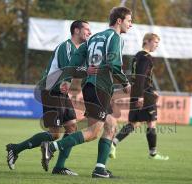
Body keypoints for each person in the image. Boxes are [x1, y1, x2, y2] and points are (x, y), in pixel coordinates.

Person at [40, 6, 132, 178]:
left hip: (90, 86)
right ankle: (51, 147)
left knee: (111, 125)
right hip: (101, 88)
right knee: (92, 133)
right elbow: (114, 64)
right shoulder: (116, 37)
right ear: (119, 21)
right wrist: (125, 82)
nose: (131, 24)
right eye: (129, 20)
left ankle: (99, 169)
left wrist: (67, 79)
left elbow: (74, 61)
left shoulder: (94, 37)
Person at [6, 20, 91, 175]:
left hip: (61, 93)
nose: (89, 32)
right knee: (54, 134)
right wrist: (89, 70)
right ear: (77, 30)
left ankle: (59, 167)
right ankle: (15, 148)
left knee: (72, 128)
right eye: (87, 29)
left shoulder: (79, 50)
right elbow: (70, 69)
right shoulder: (66, 46)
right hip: (51, 90)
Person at [109, 33, 169, 161]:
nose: (157, 46)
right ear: (147, 41)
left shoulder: (137, 56)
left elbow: (137, 77)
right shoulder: (146, 57)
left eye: (158, 43)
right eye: (155, 42)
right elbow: (141, 77)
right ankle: (153, 153)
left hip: (138, 92)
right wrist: (142, 96)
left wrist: (146, 92)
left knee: (134, 123)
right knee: (151, 122)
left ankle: (113, 142)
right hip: (144, 94)